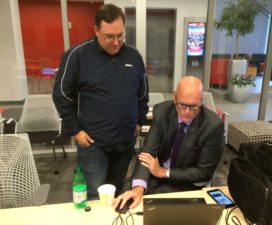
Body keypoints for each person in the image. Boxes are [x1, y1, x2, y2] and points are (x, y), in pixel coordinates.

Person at [52, 3, 149, 199]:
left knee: (117, 192)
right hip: (93, 145)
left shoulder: (134, 56)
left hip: (125, 142)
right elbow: (62, 95)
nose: (116, 42)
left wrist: (139, 120)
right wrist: (75, 130)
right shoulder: (77, 56)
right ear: (96, 31)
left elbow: (142, 93)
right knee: (95, 196)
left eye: (120, 35)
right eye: (109, 36)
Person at [114, 76, 225, 209]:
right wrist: (139, 187)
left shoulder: (213, 126)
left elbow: (204, 172)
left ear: (201, 102)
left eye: (194, 106)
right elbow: (148, 152)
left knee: (159, 211)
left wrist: (164, 172)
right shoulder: (161, 112)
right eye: (182, 105)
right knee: (127, 197)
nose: (187, 112)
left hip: (185, 182)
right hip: (154, 174)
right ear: (175, 98)